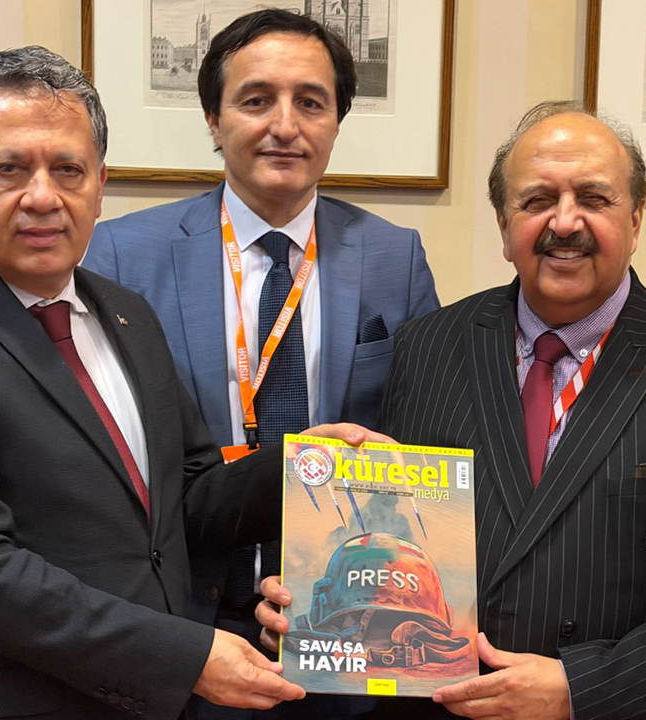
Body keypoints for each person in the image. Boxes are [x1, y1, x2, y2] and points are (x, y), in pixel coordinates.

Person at [0, 46, 383, 720]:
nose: (42, 196)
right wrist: (183, 657)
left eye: (68, 169)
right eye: (9, 169)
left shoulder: (125, 314)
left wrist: (302, 467)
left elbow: (190, 495)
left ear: (99, 186)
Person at [257, 101, 646, 720]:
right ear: (504, 226)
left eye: (594, 198)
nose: (565, 221)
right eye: (537, 201)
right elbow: (389, 533)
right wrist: (311, 606)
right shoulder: (426, 348)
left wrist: (579, 689)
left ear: (636, 218)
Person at [82, 11, 440, 691]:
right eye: (255, 100)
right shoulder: (122, 256)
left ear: (337, 122)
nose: (285, 125)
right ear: (214, 121)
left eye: (311, 102)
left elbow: (415, 448)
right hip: (181, 626)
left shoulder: (395, 258)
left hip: (341, 630)